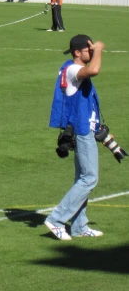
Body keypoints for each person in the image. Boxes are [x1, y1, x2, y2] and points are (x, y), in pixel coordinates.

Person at [44, 35, 106, 240]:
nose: (92, 51)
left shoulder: (74, 69)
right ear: (77, 52)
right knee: (89, 178)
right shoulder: (72, 69)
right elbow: (94, 70)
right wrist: (99, 49)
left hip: (85, 128)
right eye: (88, 49)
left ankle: (79, 226)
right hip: (80, 131)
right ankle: (56, 219)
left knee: (83, 178)